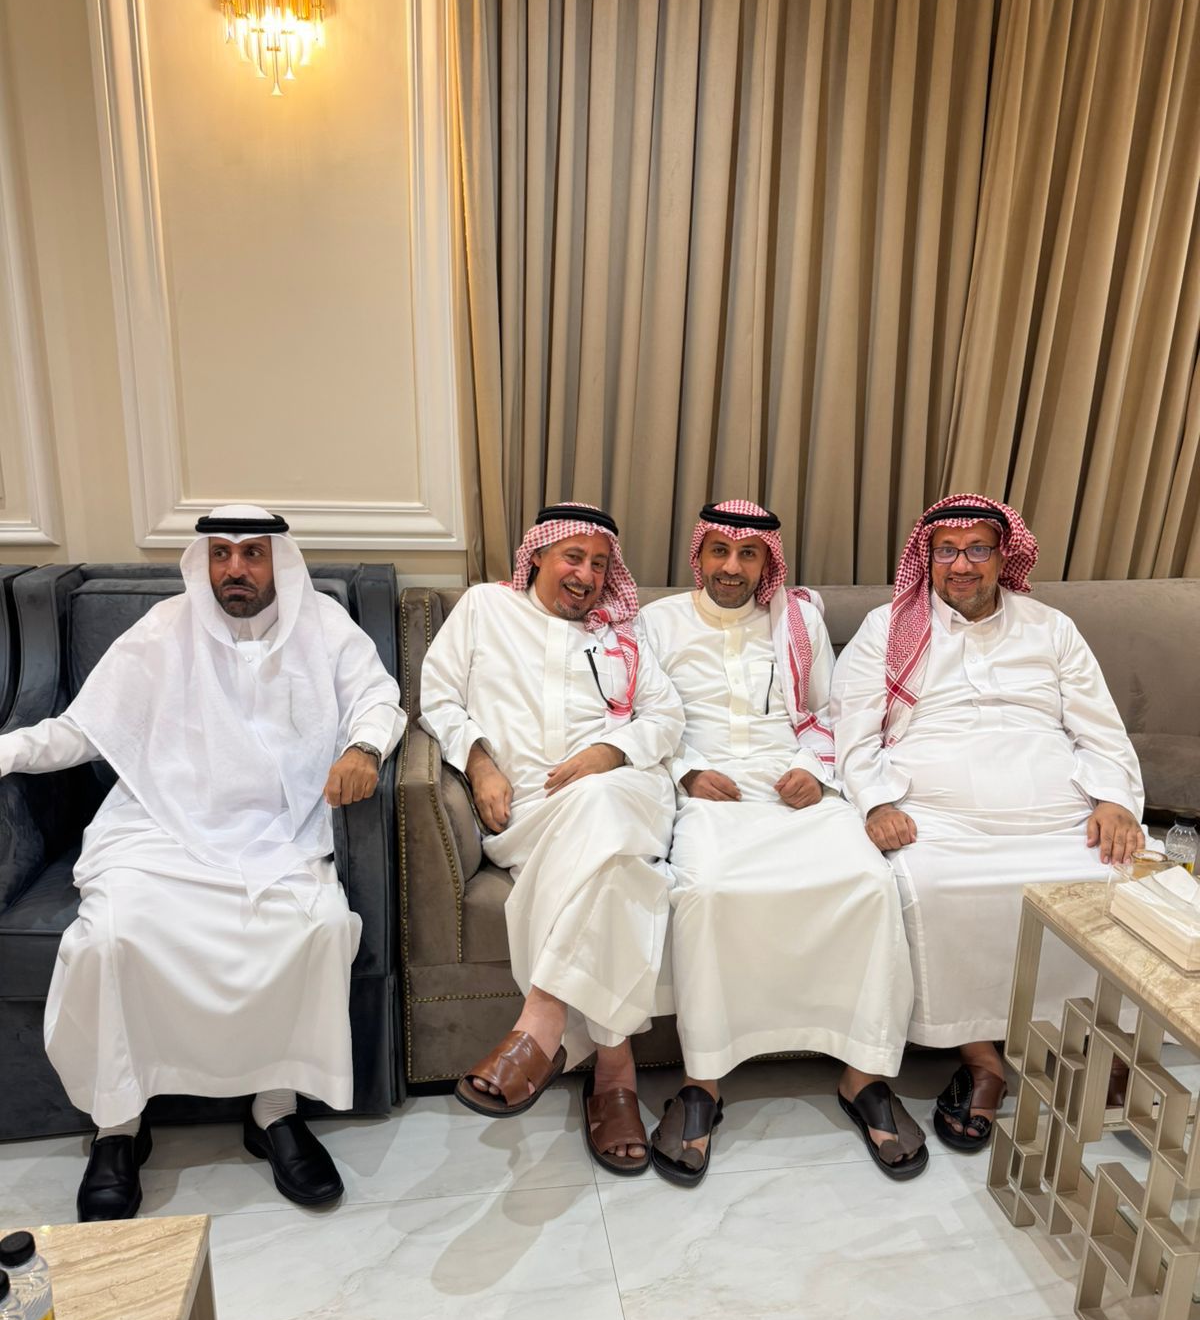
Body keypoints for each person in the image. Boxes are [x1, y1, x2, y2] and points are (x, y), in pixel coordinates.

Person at [0, 506, 405, 1219]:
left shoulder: (324, 626)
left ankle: (274, 1112)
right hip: (160, 827)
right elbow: (84, 729)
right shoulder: (165, 629)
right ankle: (118, 1127)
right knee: (108, 939)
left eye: (251, 554)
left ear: (278, 560)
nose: (234, 570)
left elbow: (378, 699)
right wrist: (7, 750)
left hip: (277, 831)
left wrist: (363, 747)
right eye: (220, 553)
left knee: (316, 928)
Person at [830, 493, 1143, 1150]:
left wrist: (1114, 799)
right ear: (927, 558)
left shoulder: (1050, 628)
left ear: (1004, 557)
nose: (962, 564)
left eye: (978, 549)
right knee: (929, 887)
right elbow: (852, 735)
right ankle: (982, 1061)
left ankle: (1094, 1047)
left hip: (1059, 815)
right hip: (939, 818)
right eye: (946, 551)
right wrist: (878, 804)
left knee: (1114, 882)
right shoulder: (888, 628)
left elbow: (1100, 728)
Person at [637, 500, 923, 1186]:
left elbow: (828, 712)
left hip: (793, 782)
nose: (732, 567)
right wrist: (685, 772)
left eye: (749, 555)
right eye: (720, 551)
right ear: (699, 555)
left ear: (768, 562)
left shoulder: (797, 619)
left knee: (870, 883)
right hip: (708, 788)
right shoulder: (656, 622)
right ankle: (702, 1083)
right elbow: (639, 715)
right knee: (705, 891)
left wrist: (814, 771)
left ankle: (864, 1075)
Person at [420, 503, 684, 1174]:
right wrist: (479, 762)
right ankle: (615, 1070)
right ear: (536, 554)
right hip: (532, 810)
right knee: (617, 873)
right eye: (573, 557)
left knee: (601, 804)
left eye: (599, 564)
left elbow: (666, 717)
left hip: (626, 790)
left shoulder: (621, 633)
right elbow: (438, 698)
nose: (586, 575)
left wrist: (608, 752)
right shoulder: (484, 608)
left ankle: (541, 1020)